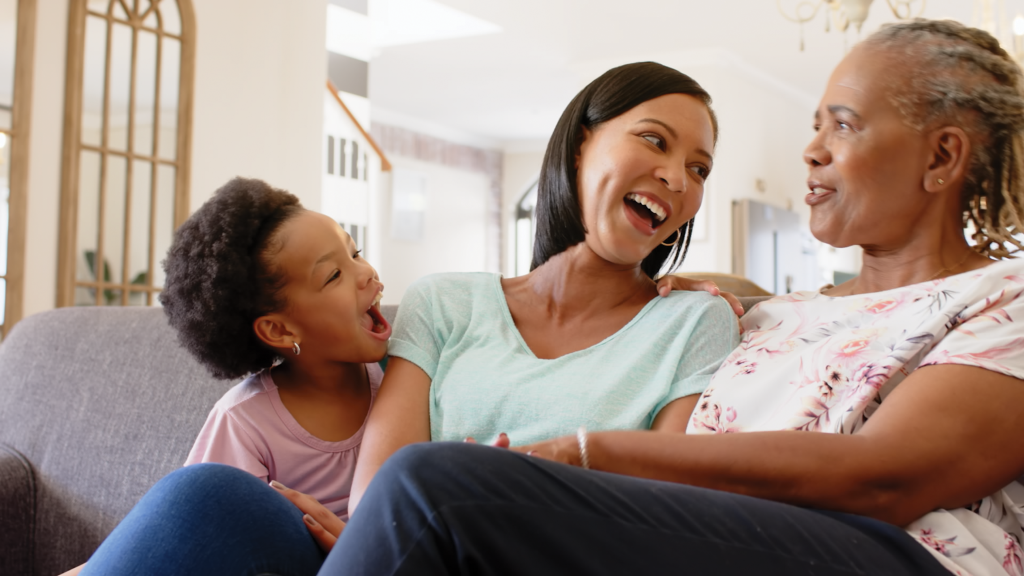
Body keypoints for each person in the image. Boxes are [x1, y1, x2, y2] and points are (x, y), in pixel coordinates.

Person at [313, 19, 1024, 576]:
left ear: (942, 157)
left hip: (889, 555)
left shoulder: (1005, 302)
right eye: (815, 125)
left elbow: (885, 478)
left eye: (842, 124)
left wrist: (584, 454)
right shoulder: (777, 316)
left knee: (436, 486)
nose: (811, 150)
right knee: (224, 506)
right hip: (710, 541)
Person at [75, 61, 740, 575]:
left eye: (700, 168)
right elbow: (377, 500)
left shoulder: (697, 323)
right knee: (210, 499)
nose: (679, 178)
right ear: (581, 146)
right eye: (654, 141)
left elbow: (664, 509)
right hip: (388, 554)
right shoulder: (444, 303)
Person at [161, 178, 389, 520]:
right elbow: (197, 527)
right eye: (333, 275)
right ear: (279, 329)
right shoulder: (243, 421)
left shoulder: (406, 372)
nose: (366, 272)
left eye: (355, 252)